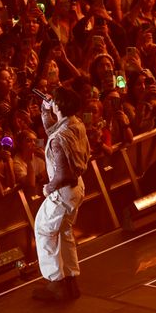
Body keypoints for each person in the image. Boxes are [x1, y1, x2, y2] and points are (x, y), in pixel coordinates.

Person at [32, 86, 90, 301]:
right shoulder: (75, 124)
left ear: (59, 105)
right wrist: (45, 111)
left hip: (63, 191)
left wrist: (49, 187)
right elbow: (52, 130)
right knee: (64, 232)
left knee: (45, 231)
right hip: (77, 190)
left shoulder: (59, 139)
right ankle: (70, 279)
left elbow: (64, 173)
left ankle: (55, 282)